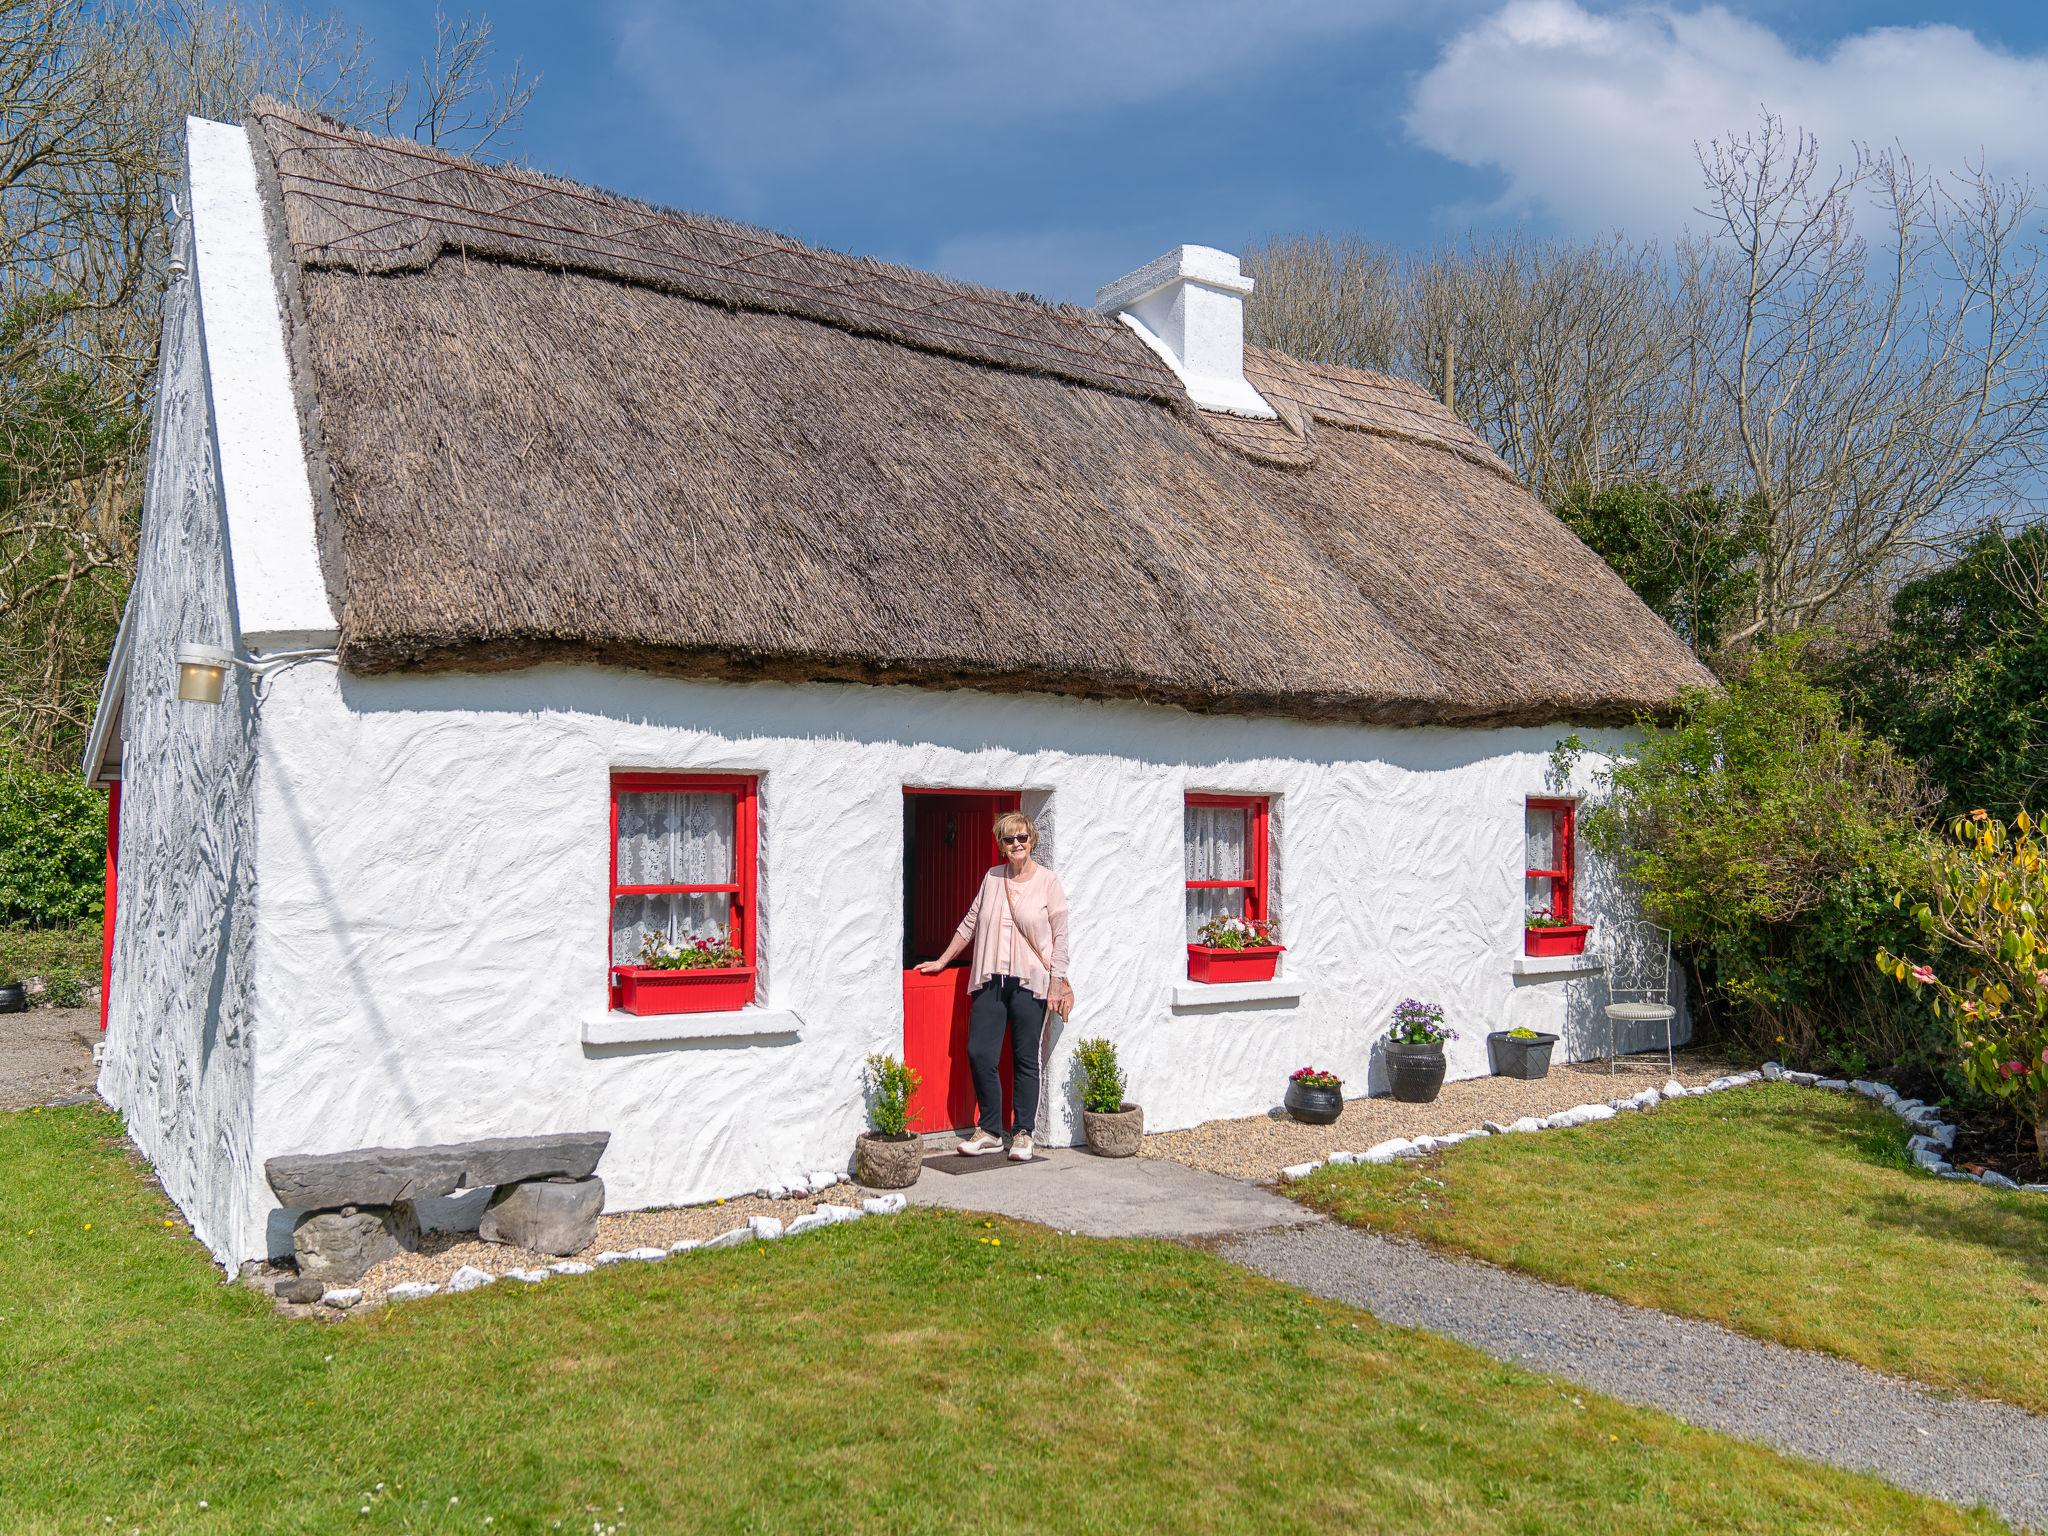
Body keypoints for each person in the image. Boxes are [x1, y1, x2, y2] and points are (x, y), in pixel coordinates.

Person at [915, 809, 1073, 1161]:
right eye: (1008, 839)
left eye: (1022, 838)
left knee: (1024, 1058)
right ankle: (989, 1130)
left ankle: (1023, 1133)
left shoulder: (1048, 882)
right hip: (991, 979)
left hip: (1032, 982)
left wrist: (1057, 982)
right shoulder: (991, 878)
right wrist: (942, 959)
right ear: (1000, 845)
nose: (1016, 844)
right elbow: (970, 923)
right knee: (980, 1052)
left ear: (1032, 840)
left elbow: (1060, 938)